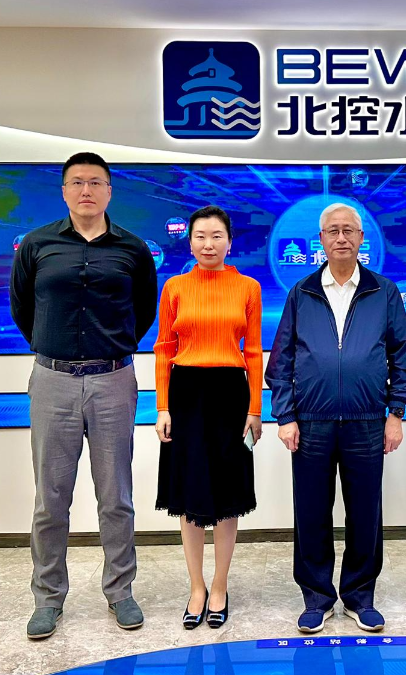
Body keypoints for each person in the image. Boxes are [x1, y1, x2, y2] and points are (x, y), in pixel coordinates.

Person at [9, 152, 157, 639]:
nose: (86, 190)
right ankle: (48, 598)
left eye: (95, 182)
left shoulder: (133, 249)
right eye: (77, 182)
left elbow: (143, 311)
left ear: (110, 191)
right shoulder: (37, 245)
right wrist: (54, 346)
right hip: (52, 380)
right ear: (64, 191)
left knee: (116, 496)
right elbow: (22, 308)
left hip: (113, 379)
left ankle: (120, 591)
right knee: (50, 499)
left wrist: (108, 347)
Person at [265, 203, 406, 634]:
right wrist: (286, 416)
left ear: (362, 238)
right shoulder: (302, 292)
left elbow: (402, 356)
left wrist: (395, 413)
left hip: (368, 421)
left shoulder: (383, 291)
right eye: (333, 230)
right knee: (311, 513)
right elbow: (281, 361)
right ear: (322, 240)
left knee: (365, 513)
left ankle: (359, 596)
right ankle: (317, 598)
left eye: (349, 230)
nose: (342, 237)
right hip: (310, 421)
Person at [153, 205, 263, 629]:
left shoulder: (248, 287)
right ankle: (196, 587)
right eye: (200, 236)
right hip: (186, 394)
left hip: (231, 394)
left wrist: (255, 409)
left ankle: (219, 586)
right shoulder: (175, 287)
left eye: (217, 236)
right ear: (190, 241)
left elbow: (252, 352)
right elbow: (164, 348)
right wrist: (162, 406)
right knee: (190, 490)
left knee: (227, 493)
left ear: (229, 242)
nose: (208, 244)